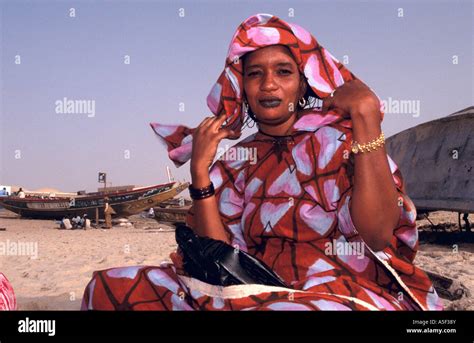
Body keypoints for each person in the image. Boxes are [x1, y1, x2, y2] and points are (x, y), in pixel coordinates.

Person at [82, 13, 441, 311]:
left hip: (337, 286)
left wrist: (366, 118)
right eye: (255, 73)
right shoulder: (237, 161)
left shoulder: (342, 141)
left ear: (304, 85)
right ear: (242, 87)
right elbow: (217, 258)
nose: (268, 85)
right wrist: (200, 172)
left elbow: (377, 235)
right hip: (246, 284)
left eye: (284, 72)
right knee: (107, 287)